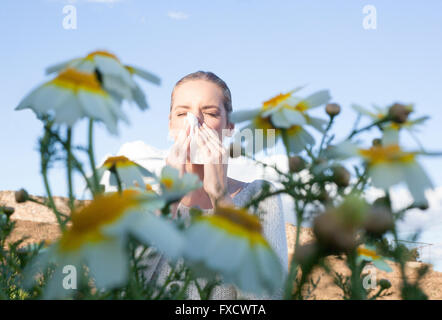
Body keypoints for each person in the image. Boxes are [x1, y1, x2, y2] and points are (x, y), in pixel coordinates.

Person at [144, 71, 289, 299]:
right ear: (170, 125)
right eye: (183, 113)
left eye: (210, 113)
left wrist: (221, 198)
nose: (194, 122)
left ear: (229, 126)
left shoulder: (261, 197)